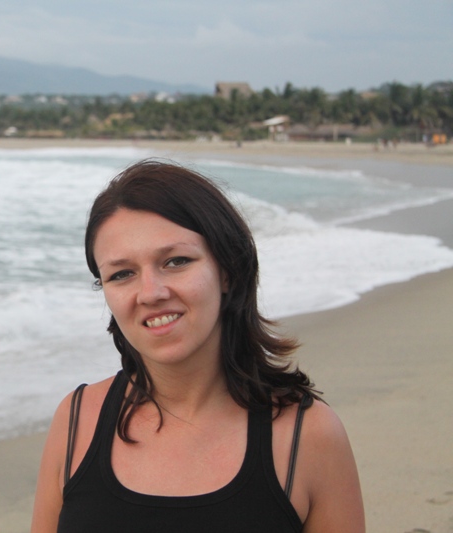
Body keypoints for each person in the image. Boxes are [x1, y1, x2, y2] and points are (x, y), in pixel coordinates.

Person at [31, 160, 364, 532]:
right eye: (122, 274)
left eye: (176, 261)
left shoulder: (307, 435)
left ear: (227, 271)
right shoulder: (77, 421)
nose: (151, 293)